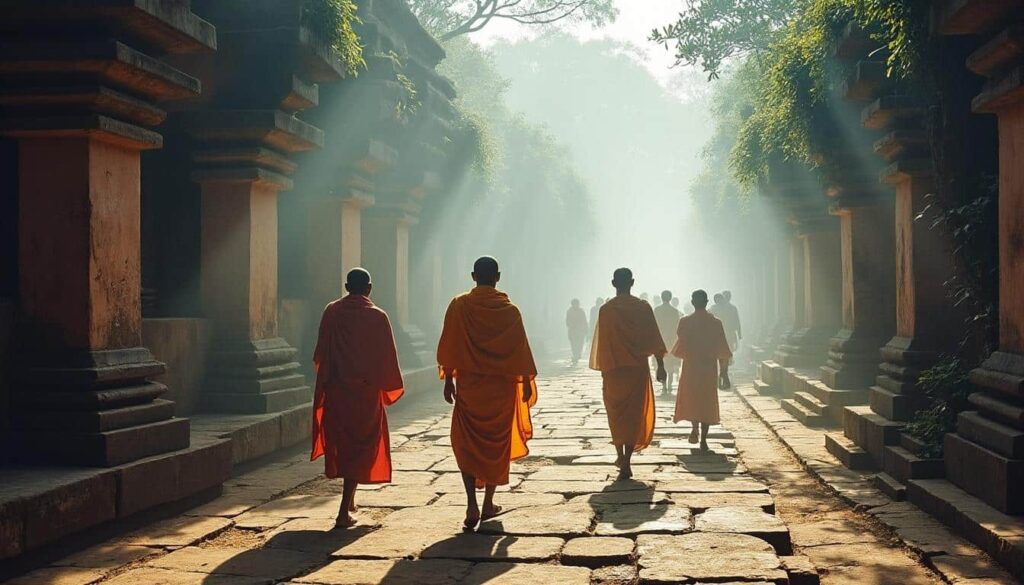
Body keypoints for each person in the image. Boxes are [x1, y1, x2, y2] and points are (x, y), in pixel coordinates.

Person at [437, 256, 538, 530]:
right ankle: (488, 503)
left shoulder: (459, 306)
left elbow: (449, 344)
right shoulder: (509, 311)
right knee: (497, 444)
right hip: (500, 390)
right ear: (498, 276)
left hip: (469, 387)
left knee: (466, 443)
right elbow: (520, 351)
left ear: (473, 276)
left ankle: (471, 502)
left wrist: (448, 380)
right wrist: (527, 382)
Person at [310, 268, 404, 529]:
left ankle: (349, 501)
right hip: (365, 394)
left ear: (346, 286)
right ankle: (343, 512)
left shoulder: (332, 311)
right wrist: (384, 386)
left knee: (344, 444)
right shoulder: (377, 316)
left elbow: (320, 355)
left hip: (338, 392)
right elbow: (387, 358)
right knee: (361, 446)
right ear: (370, 288)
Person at [590, 268, 667, 480]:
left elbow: (603, 345)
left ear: (613, 283)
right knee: (634, 415)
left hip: (614, 371)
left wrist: (604, 368)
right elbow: (654, 338)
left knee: (615, 414)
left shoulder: (606, 310)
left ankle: (620, 455)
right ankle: (627, 461)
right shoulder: (642, 308)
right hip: (637, 371)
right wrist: (660, 365)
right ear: (632, 282)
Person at [672, 289, 732, 451]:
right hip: (708, 368)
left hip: (691, 367)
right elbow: (723, 350)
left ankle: (694, 428)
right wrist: (724, 373)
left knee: (692, 398)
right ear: (706, 302)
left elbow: (679, 347)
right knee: (706, 401)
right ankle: (704, 439)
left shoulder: (684, 322)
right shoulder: (715, 323)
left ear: (693, 303)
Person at [653, 290, 682, 396]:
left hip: (660, 339)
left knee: (661, 362)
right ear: (670, 298)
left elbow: (653, 325)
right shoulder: (674, 311)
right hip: (671, 339)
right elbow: (677, 326)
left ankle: (664, 385)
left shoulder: (657, 310)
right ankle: (669, 384)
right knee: (670, 363)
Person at [566, 298, 589, 365]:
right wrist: (570, 325)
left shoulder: (581, 311)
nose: (576, 305)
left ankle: (577, 355)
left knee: (580, 344)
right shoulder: (569, 311)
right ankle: (575, 355)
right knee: (573, 344)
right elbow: (567, 320)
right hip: (572, 331)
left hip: (580, 331)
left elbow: (584, 320)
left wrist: (586, 329)